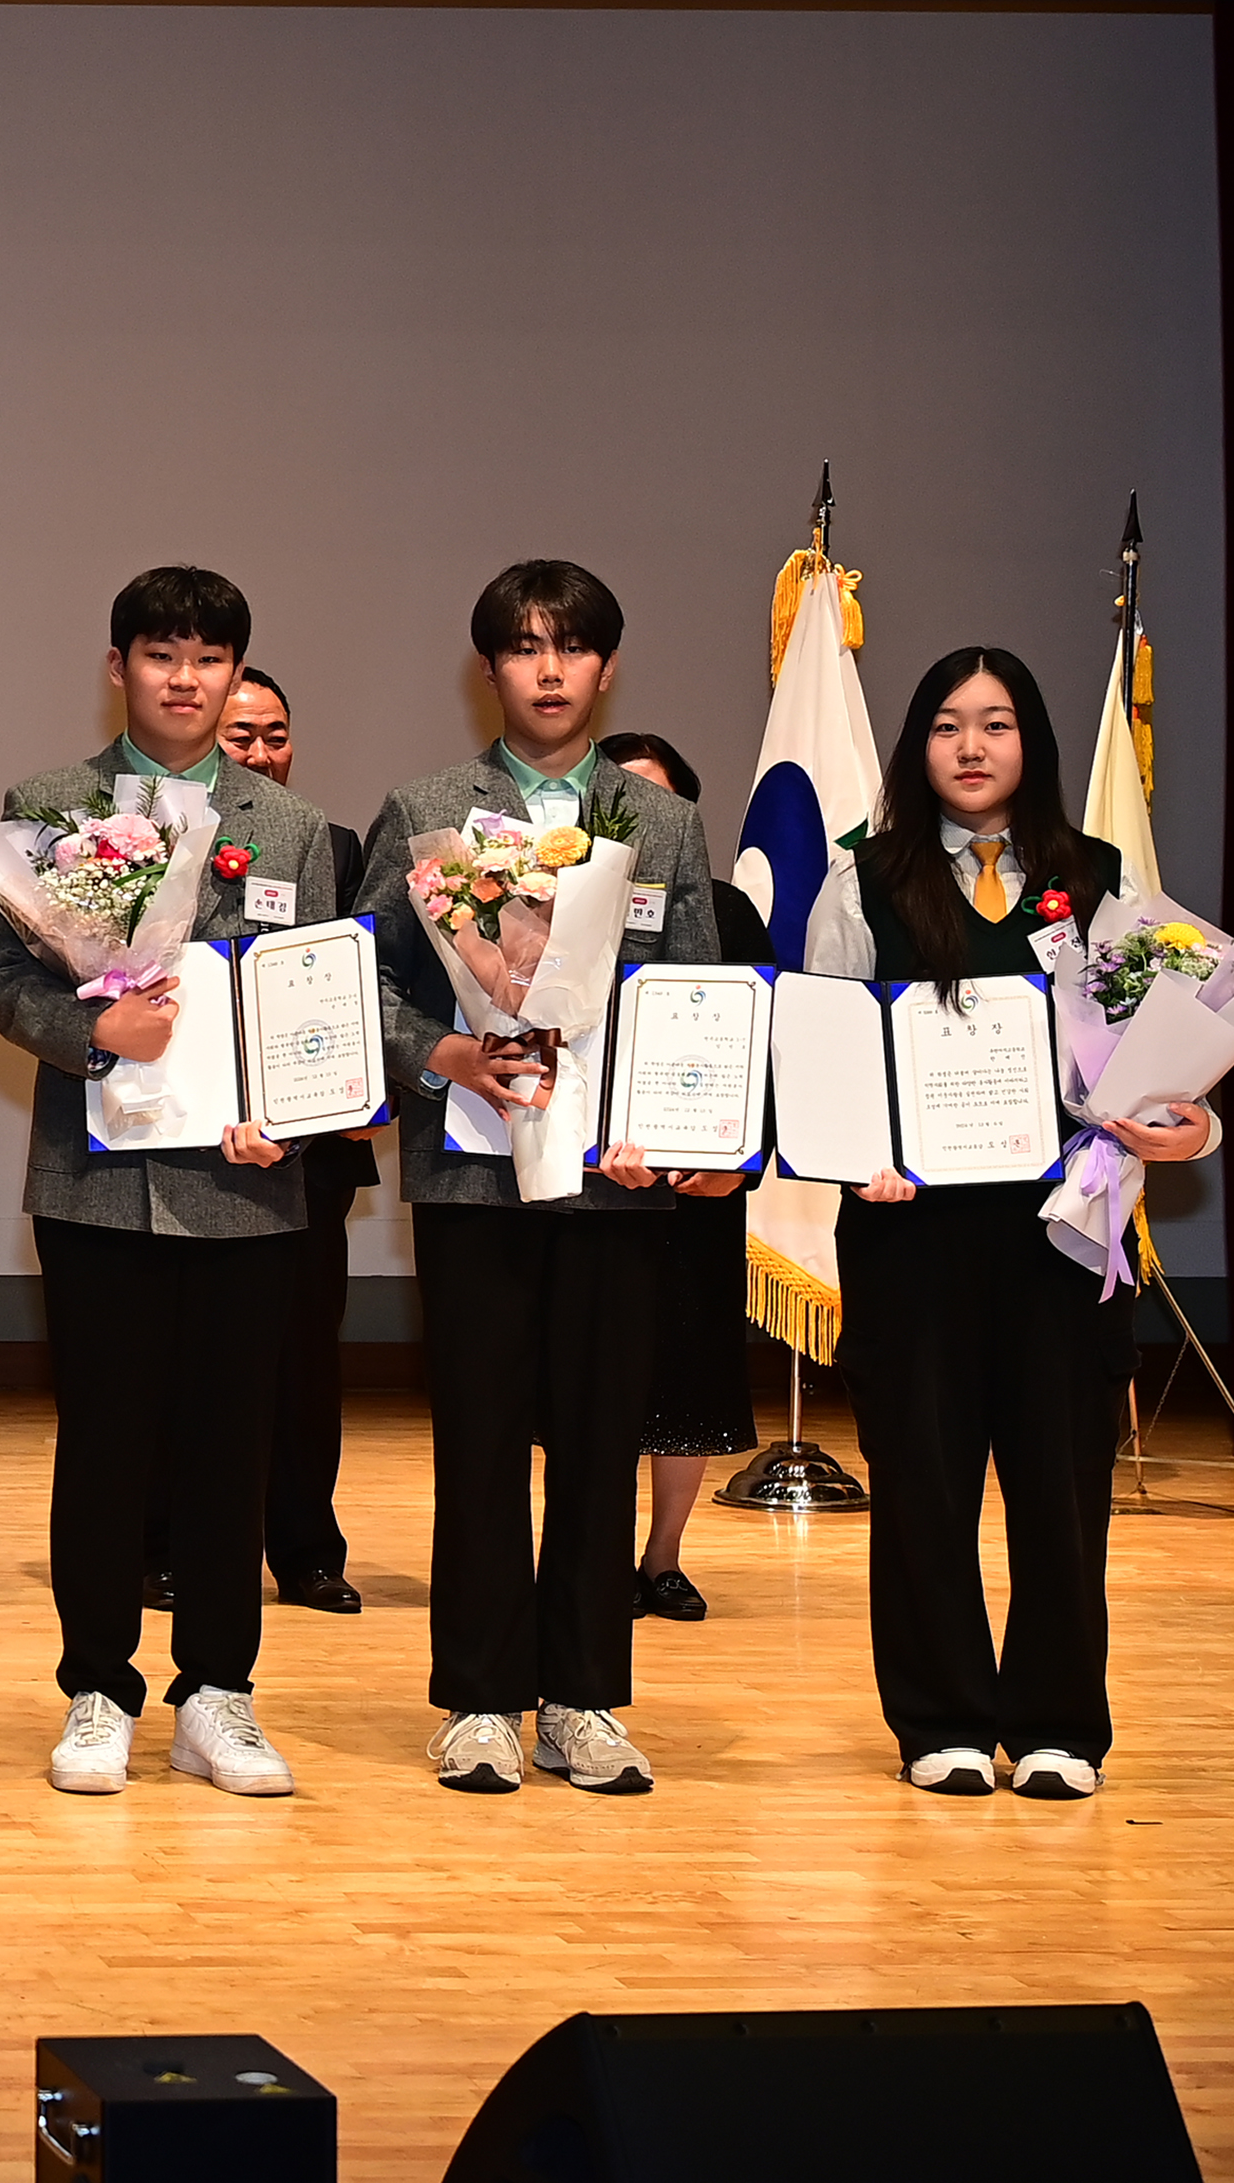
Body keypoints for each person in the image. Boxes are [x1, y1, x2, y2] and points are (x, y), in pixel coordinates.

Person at [808, 649, 1212, 1799]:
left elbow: (1161, 1053)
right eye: (946, 725)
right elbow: (827, 1049)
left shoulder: (1097, 877)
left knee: (1060, 1482)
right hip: (909, 1233)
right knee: (924, 1482)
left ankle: (1057, 1724)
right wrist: (855, 1155)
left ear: (1030, 741)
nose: (971, 747)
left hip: (1061, 1229)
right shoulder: (864, 877)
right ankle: (939, 1720)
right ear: (916, 746)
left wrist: (1187, 1125)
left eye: (995, 724)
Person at [357, 559, 731, 1799]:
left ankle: (581, 1696)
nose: (550, 669)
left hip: (616, 1184)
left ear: (608, 666)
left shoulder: (660, 820)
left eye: (572, 647)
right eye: (524, 648)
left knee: (595, 1438)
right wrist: (449, 1054)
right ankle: (477, 1697)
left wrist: (676, 1130)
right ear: (491, 671)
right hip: (472, 1175)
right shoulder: (427, 811)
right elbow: (377, 993)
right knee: (476, 1437)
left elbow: (690, 995)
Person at [0, 570, 341, 1806]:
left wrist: (288, 1122)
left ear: (237, 673)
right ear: (119, 663)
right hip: (96, 1183)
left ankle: (219, 1697)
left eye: (210, 658)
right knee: (108, 1443)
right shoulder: (50, 806)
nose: (186, 679)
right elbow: (4, 981)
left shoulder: (291, 828)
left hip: (245, 1185)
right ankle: (97, 1688)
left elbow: (317, 1010)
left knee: (235, 1446)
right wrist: (96, 1038)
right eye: (161, 655)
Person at [178, 665, 371, 1620]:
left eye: (275, 734)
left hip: (306, 1156)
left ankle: (305, 1550)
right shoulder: (149, 844)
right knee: (180, 1363)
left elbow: (352, 991)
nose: (260, 751)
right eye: (240, 734)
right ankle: (167, 1548)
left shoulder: (330, 843)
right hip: (177, 1144)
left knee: (302, 1363)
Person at [595, 728, 772, 1623]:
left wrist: (735, 1162)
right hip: (590, 1182)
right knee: (596, 1375)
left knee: (688, 1371)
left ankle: (662, 1558)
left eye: (657, 800)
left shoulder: (729, 911)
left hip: (697, 1182)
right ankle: (591, 1555)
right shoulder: (548, 909)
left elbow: (763, 1045)